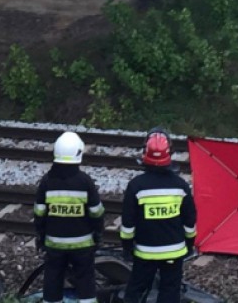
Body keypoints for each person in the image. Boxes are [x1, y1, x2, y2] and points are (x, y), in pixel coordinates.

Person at [120, 128, 197, 303]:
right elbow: (190, 222)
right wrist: (189, 244)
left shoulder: (136, 186)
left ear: (144, 154)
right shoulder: (180, 186)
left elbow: (127, 225)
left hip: (145, 253)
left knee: (135, 292)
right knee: (170, 292)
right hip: (174, 251)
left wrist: (127, 248)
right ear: (170, 155)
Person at [34, 131, 105, 303]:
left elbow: (39, 213)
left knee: (52, 281)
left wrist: (41, 236)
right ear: (78, 154)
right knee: (86, 283)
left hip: (54, 244)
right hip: (82, 246)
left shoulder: (47, 181)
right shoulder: (85, 182)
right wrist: (98, 234)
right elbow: (96, 212)